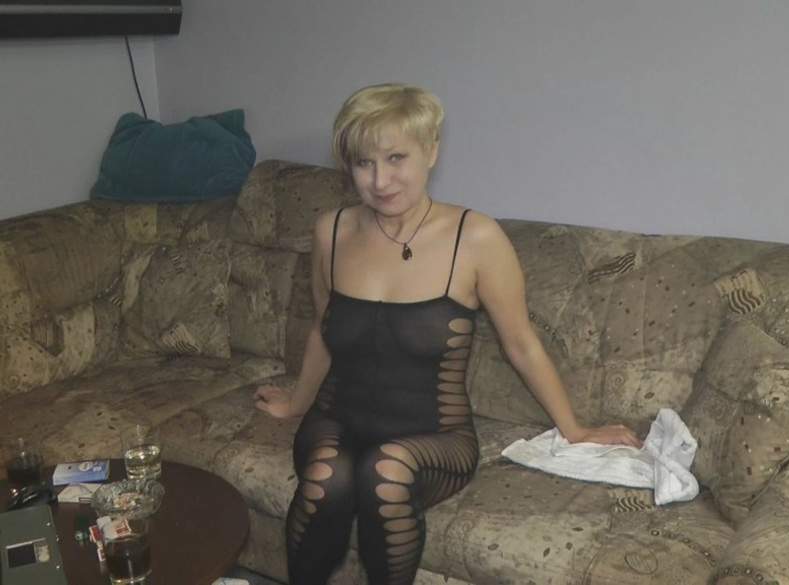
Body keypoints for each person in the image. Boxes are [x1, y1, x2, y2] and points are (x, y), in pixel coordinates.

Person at [254, 83, 642, 585]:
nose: (380, 180)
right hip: (337, 418)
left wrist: (576, 429)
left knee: (385, 474)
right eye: (363, 163)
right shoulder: (332, 230)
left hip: (434, 435)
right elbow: (323, 329)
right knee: (325, 483)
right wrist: (295, 404)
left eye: (396, 157)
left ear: (431, 151)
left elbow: (521, 343)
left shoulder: (476, 238)